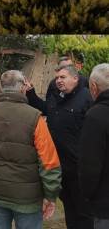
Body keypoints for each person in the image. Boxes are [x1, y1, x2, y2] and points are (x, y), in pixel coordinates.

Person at [0, 70, 62, 229]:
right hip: (27, 198)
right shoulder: (35, 117)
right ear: (23, 88)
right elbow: (49, 163)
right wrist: (50, 196)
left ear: (2, 87)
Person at [26, 64, 94, 229]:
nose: (58, 81)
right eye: (57, 78)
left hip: (79, 167)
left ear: (75, 78)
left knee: (83, 211)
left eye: (62, 77)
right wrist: (31, 94)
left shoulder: (87, 98)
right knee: (69, 206)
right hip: (60, 165)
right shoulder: (57, 96)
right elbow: (46, 109)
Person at [79, 64, 109, 229]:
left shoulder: (96, 115)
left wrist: (87, 194)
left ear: (94, 87)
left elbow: (90, 164)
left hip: (105, 203)